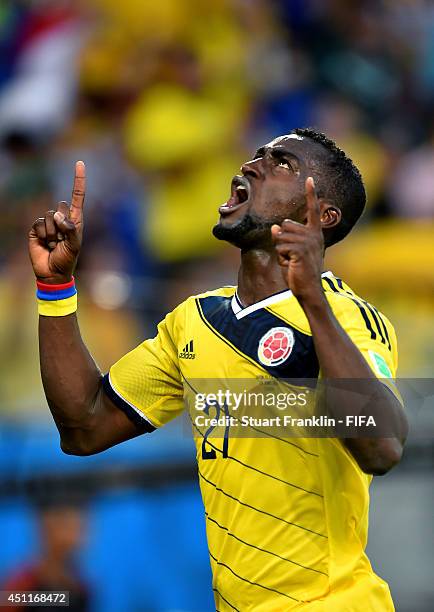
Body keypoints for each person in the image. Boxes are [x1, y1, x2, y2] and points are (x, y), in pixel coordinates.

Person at [28, 128, 408, 610]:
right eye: (256, 155)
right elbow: (84, 427)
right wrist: (56, 287)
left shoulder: (347, 315)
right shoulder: (195, 321)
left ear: (321, 216)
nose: (252, 165)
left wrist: (310, 298)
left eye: (283, 163)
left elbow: (382, 448)